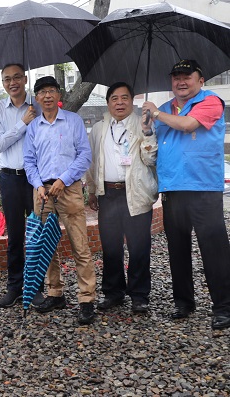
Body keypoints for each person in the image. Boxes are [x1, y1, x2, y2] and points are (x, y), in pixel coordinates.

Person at [142, 59, 230, 330]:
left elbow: (188, 126)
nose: (181, 81)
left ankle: (224, 307)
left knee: (214, 250)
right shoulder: (166, 108)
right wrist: (147, 126)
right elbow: (151, 142)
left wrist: (155, 114)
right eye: (176, 77)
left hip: (203, 188)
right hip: (172, 188)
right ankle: (183, 302)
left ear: (200, 80)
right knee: (177, 249)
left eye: (187, 76)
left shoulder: (211, 101)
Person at [23, 76, 97, 325]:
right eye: (42, 92)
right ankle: (56, 293)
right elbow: (29, 161)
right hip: (42, 191)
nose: (47, 96)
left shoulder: (73, 121)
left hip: (69, 189)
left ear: (58, 95)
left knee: (80, 246)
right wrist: (37, 185)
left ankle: (86, 299)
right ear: (37, 97)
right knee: (47, 245)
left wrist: (63, 180)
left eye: (51, 91)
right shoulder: (33, 127)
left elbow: (85, 155)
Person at [86, 82, 158, 315]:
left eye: (124, 98)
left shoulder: (143, 124)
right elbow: (92, 162)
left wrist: (147, 133)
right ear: (108, 103)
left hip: (135, 193)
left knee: (139, 247)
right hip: (108, 194)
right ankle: (113, 292)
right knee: (110, 247)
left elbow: (151, 160)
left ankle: (139, 295)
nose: (119, 102)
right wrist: (92, 191)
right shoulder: (98, 128)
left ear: (132, 101)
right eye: (114, 98)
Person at [0, 63, 44, 308]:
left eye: (17, 77)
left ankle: (37, 287)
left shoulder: (39, 106)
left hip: (34, 180)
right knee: (15, 236)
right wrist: (23, 122)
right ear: (3, 83)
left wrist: (34, 117)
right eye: (7, 79)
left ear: (25, 78)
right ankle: (14, 286)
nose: (13, 82)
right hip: (10, 178)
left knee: (36, 234)